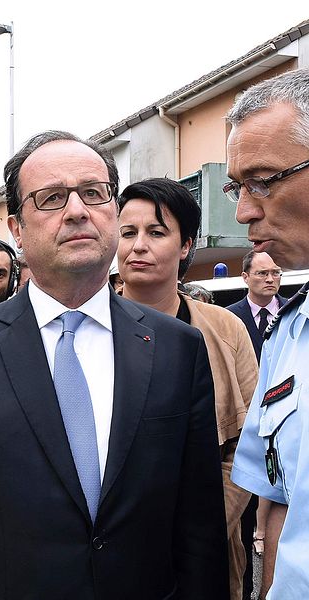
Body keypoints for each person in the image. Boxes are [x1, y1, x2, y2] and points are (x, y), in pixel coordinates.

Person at [0, 130, 229, 599]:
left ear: (112, 209)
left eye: (93, 193)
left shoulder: (177, 347)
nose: (76, 211)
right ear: (16, 228)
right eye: (51, 198)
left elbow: (200, 527)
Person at [116, 177, 257, 599]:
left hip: (204, 551)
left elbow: (250, 441)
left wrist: (206, 524)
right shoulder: (83, 330)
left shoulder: (225, 330)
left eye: (156, 232)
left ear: (185, 246)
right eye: (127, 232)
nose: (139, 245)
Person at [228, 67, 309, 600]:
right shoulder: (290, 332)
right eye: (238, 187)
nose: (243, 211)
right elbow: (277, 500)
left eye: (262, 181)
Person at [227, 251, 286, 598]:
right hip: (247, 426)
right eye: (262, 273)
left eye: (275, 272)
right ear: (245, 277)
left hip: (285, 426)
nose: (270, 279)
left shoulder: (294, 314)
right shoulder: (229, 318)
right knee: (245, 516)